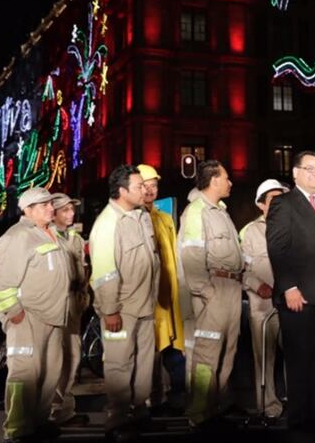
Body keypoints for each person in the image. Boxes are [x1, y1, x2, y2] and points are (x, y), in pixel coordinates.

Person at [266, 151, 315, 429]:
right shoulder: (283, 204)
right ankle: (299, 420)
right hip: (297, 296)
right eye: (310, 169)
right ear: (296, 172)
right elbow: (277, 248)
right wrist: (288, 286)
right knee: (300, 361)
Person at [0, 187, 69, 443]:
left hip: (54, 317)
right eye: (43, 204)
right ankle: (18, 428)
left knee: (50, 373)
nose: (50, 208)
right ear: (28, 210)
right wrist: (14, 312)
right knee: (25, 373)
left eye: (50, 204)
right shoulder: (17, 236)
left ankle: (39, 421)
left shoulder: (52, 234)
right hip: (28, 318)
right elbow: (0, 282)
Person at [89, 165, 161, 441]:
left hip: (145, 304)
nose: (145, 190)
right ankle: (116, 420)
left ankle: (139, 413)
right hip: (121, 309)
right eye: (138, 186)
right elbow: (105, 272)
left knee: (144, 363)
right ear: (122, 191)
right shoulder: (108, 223)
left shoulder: (141, 216)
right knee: (119, 364)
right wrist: (110, 310)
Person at [177, 160, 244, 429]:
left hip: (231, 289)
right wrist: (205, 292)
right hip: (213, 290)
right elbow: (191, 254)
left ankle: (216, 405)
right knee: (207, 354)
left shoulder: (221, 212)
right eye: (226, 178)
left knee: (228, 350)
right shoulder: (196, 212)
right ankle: (199, 412)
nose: (230, 182)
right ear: (214, 180)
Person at [136, 164, 186, 417]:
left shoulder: (164, 218)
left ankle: (166, 399)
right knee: (149, 353)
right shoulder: (132, 219)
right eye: (145, 185)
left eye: (154, 185)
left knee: (169, 349)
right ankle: (150, 402)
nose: (150, 190)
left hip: (168, 297)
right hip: (146, 299)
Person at [239, 178, 289, 422]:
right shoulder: (249, 231)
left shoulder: (292, 228)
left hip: (290, 304)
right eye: (273, 199)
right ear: (261, 204)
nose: (279, 204)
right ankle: (267, 405)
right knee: (265, 359)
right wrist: (258, 286)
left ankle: (296, 399)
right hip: (262, 306)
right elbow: (241, 268)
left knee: (296, 354)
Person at [49, 192, 89, 427]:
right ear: (53, 213)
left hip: (74, 305)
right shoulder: (46, 236)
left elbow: (82, 269)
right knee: (54, 359)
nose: (71, 213)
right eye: (65, 209)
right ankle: (51, 410)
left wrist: (84, 295)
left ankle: (63, 409)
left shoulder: (75, 237)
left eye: (72, 209)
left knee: (73, 358)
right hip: (54, 306)